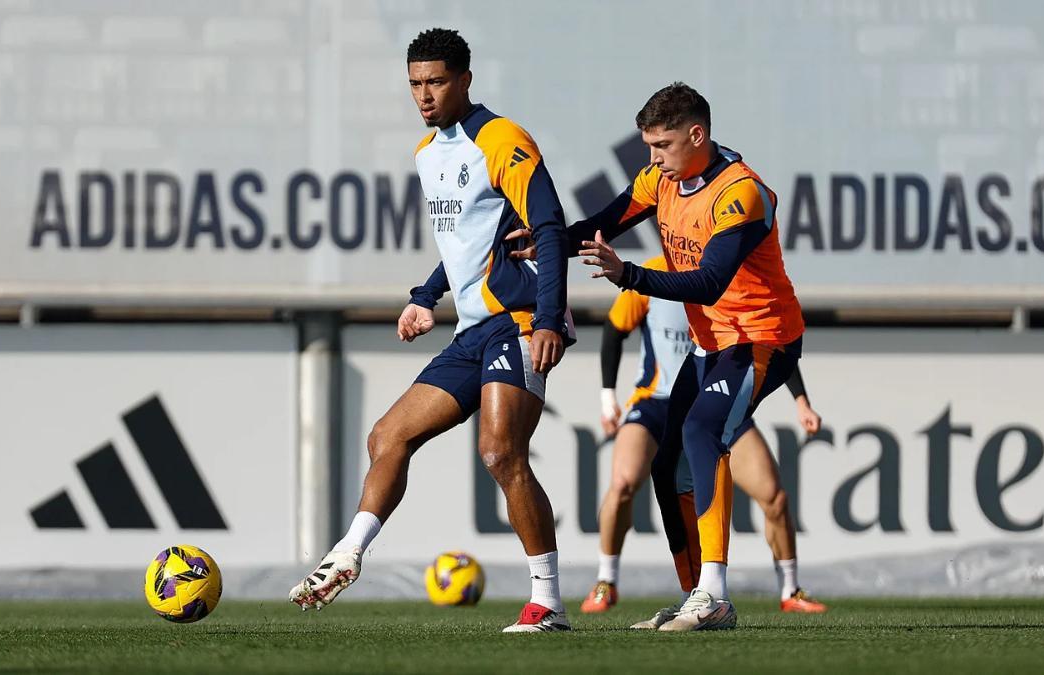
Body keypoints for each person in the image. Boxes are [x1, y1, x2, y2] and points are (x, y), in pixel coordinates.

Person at [288, 27, 575, 633]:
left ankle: (546, 602)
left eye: (436, 82)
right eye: (416, 84)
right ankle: (348, 553)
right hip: (472, 328)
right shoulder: (429, 152)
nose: (424, 94)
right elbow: (470, 242)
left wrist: (549, 318)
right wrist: (427, 296)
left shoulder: (502, 140)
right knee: (386, 436)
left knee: (500, 452)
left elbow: (548, 226)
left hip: (519, 320)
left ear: (465, 80)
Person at [564, 81, 805, 631]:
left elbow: (711, 281)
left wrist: (629, 275)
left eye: (662, 146)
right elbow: (603, 222)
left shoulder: (739, 193)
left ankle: (715, 593)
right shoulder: (661, 178)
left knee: (700, 432)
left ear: (697, 135)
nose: (652, 160)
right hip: (712, 343)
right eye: (648, 146)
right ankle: (697, 593)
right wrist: (546, 240)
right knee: (667, 457)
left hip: (761, 338)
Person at [580, 257, 827, 617]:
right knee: (623, 484)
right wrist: (607, 399)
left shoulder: (726, 274)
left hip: (715, 398)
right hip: (656, 405)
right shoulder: (651, 273)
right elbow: (614, 329)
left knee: (773, 495)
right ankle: (607, 581)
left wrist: (801, 399)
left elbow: (767, 334)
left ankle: (790, 589)